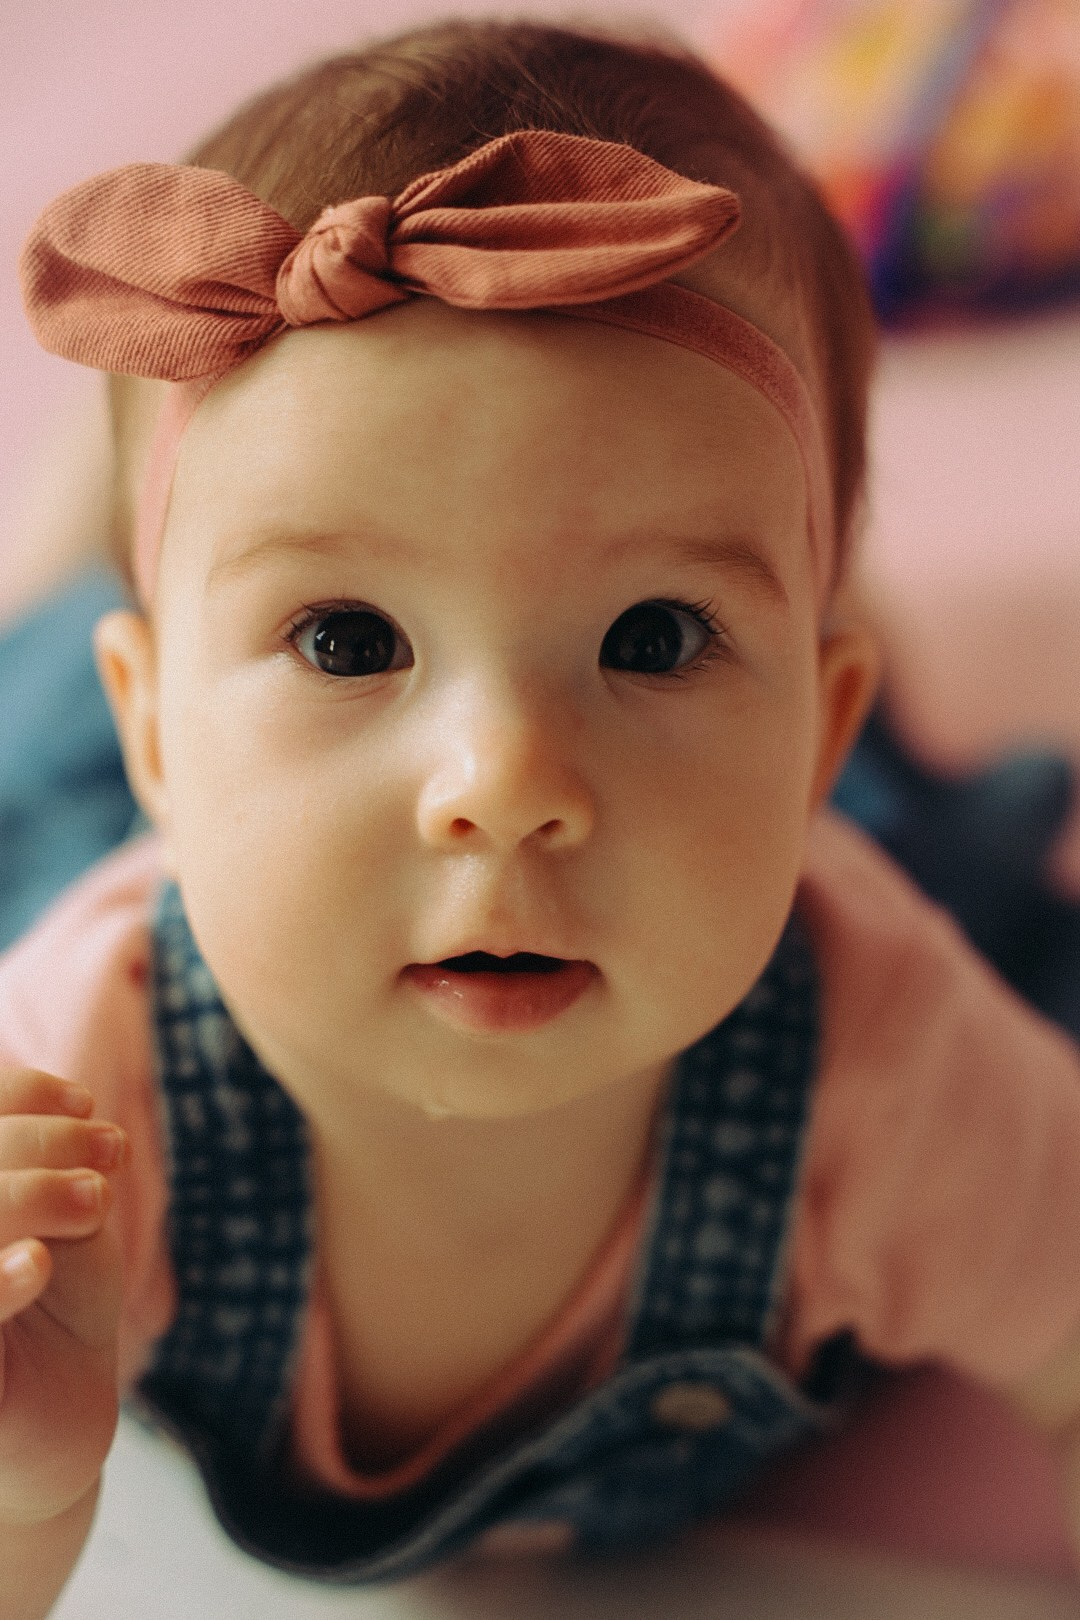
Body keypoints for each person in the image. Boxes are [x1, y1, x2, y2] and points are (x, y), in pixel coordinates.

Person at [2, 19, 1080, 1615]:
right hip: (98, 818)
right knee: (32, 738)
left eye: (654, 634)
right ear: (159, 729)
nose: (504, 784)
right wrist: (27, 1486)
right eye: (348, 639)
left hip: (809, 840)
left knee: (957, 870)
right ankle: (68, 553)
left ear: (814, 732)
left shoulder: (893, 1060)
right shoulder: (74, 1092)